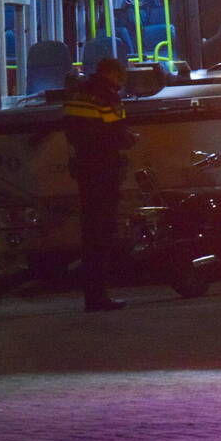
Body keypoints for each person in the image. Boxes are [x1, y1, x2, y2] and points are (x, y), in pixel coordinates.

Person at [63, 56, 136, 312]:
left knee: (89, 232)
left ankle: (91, 294)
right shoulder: (108, 97)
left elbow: (72, 131)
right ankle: (99, 296)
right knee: (103, 233)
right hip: (105, 170)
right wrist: (130, 140)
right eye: (121, 76)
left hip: (85, 170)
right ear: (114, 74)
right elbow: (118, 133)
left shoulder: (77, 95)